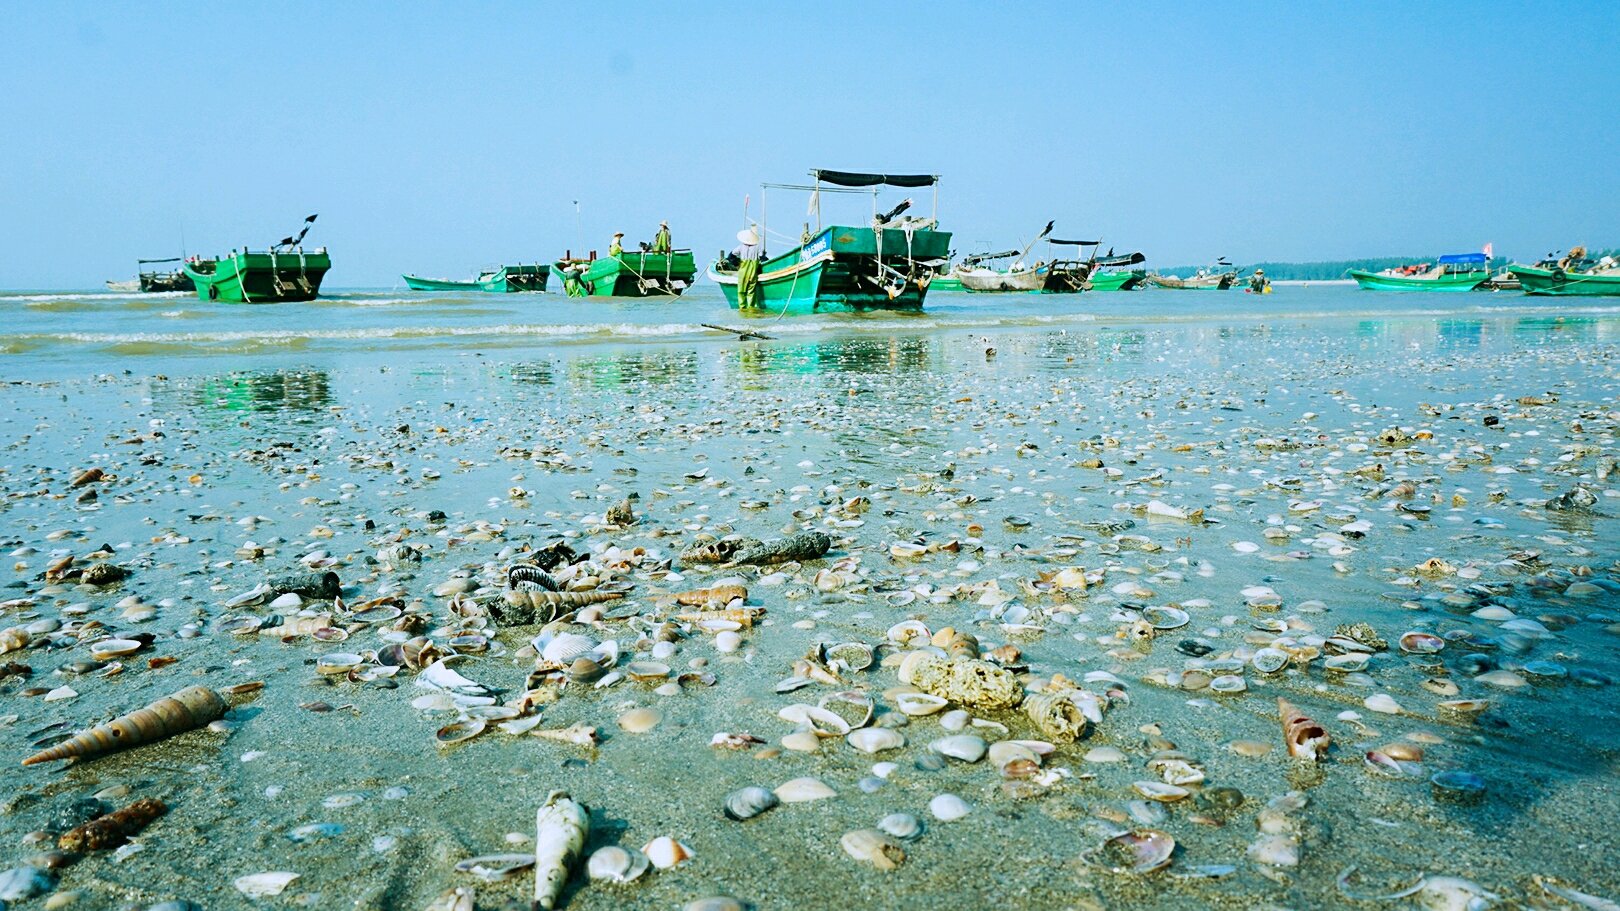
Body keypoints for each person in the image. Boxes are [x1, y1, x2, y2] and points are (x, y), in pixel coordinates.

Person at [733, 226, 764, 311]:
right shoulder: (757, 247)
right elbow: (762, 257)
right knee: (751, 290)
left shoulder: (740, 247)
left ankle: (742, 308)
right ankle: (751, 307)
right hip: (753, 271)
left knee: (741, 290)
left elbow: (732, 254)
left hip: (743, 271)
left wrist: (736, 262)